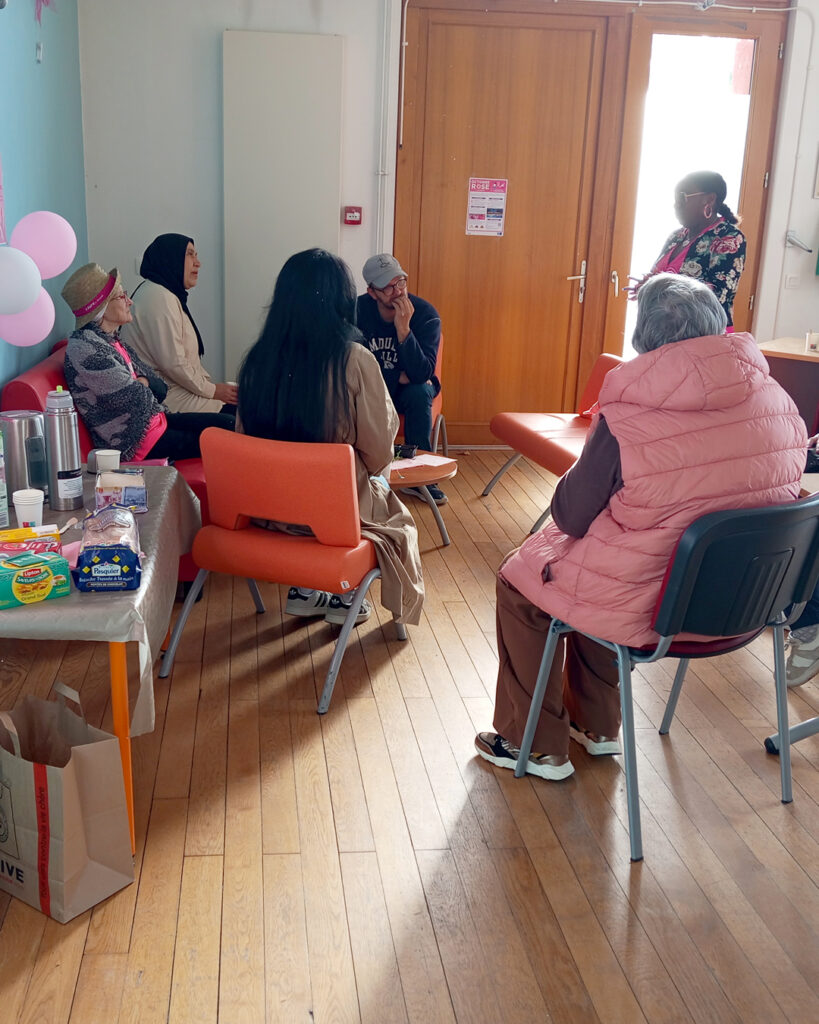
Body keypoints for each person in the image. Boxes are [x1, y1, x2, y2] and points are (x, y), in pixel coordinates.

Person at [476, 274, 806, 780]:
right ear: (719, 325)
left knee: (523, 581)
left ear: (645, 337)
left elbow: (570, 514)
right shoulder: (779, 403)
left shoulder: (628, 413)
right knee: (602, 575)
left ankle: (535, 744)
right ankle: (600, 727)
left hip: (654, 605)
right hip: (748, 601)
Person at [238, 248, 424, 627]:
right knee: (386, 496)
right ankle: (345, 593)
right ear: (343, 301)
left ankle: (305, 590)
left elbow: (246, 443)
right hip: (332, 514)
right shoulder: (354, 359)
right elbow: (378, 451)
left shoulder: (257, 360)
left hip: (269, 511)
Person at [61, 263, 235, 462]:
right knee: (225, 440)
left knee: (230, 424)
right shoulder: (84, 348)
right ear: (101, 307)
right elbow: (136, 398)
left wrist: (143, 383)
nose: (130, 302)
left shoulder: (110, 340)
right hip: (135, 443)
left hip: (155, 423)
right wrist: (144, 383)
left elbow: (160, 389)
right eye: (121, 296)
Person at [356, 253, 446, 505]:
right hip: (369, 390)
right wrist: (397, 375)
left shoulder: (425, 314)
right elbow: (353, 368)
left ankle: (421, 479)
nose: (398, 292)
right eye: (388, 286)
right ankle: (359, 471)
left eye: (401, 282)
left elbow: (422, 374)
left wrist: (404, 329)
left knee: (419, 391)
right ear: (372, 292)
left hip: (409, 393)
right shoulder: (356, 311)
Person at [121, 233, 238, 415]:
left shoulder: (166, 294)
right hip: (168, 399)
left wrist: (212, 389)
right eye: (190, 254)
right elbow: (174, 364)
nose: (198, 263)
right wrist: (214, 391)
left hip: (180, 392)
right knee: (241, 416)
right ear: (171, 258)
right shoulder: (158, 297)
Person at [630, 171, 746, 327]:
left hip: (702, 333)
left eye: (682, 197)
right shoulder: (676, 236)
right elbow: (658, 276)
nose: (676, 204)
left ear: (709, 200)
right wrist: (646, 286)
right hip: (661, 330)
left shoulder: (729, 238)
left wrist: (657, 289)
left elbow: (717, 295)